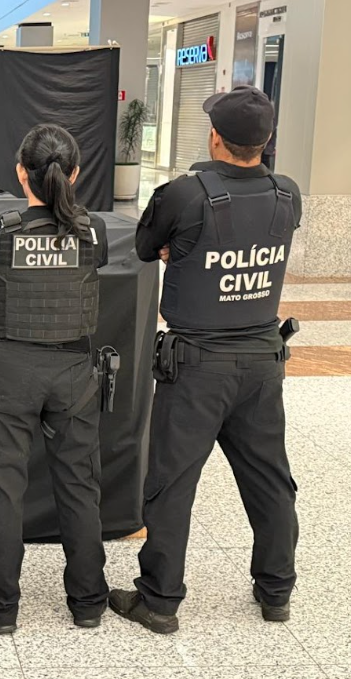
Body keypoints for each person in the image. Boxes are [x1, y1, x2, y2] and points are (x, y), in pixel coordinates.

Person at [110, 86, 303, 634]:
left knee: (172, 485)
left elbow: (146, 248)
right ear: (267, 140)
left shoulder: (184, 195)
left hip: (196, 367)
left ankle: (159, 601)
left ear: (215, 138)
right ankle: (276, 592)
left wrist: (182, 246)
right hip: (262, 363)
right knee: (270, 481)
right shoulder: (287, 193)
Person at [0, 123, 110, 634]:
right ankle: (88, 602)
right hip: (74, 371)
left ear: (21, 173)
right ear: (75, 173)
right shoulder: (92, 230)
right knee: (79, 485)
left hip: (11, 370)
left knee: (3, 486)